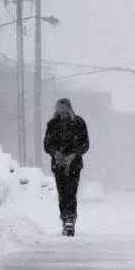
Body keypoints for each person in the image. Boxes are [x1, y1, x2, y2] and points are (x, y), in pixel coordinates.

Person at [43, 98, 90, 236]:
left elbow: (85, 144)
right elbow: (47, 144)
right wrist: (55, 153)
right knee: (62, 193)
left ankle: (71, 219)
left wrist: (74, 155)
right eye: (58, 109)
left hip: (74, 165)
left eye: (63, 109)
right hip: (58, 164)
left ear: (69, 109)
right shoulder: (52, 124)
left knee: (72, 192)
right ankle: (64, 218)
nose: (61, 112)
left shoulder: (79, 123)